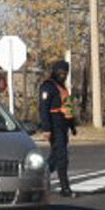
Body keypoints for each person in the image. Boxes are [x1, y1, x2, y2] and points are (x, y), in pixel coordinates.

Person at [36, 58, 75, 195]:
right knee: (62, 157)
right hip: (53, 125)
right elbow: (43, 108)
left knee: (54, 158)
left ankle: (37, 177)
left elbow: (67, 108)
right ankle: (65, 188)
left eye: (65, 72)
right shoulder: (47, 86)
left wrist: (72, 126)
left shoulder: (62, 87)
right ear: (54, 71)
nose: (63, 75)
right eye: (60, 72)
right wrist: (46, 128)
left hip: (63, 126)